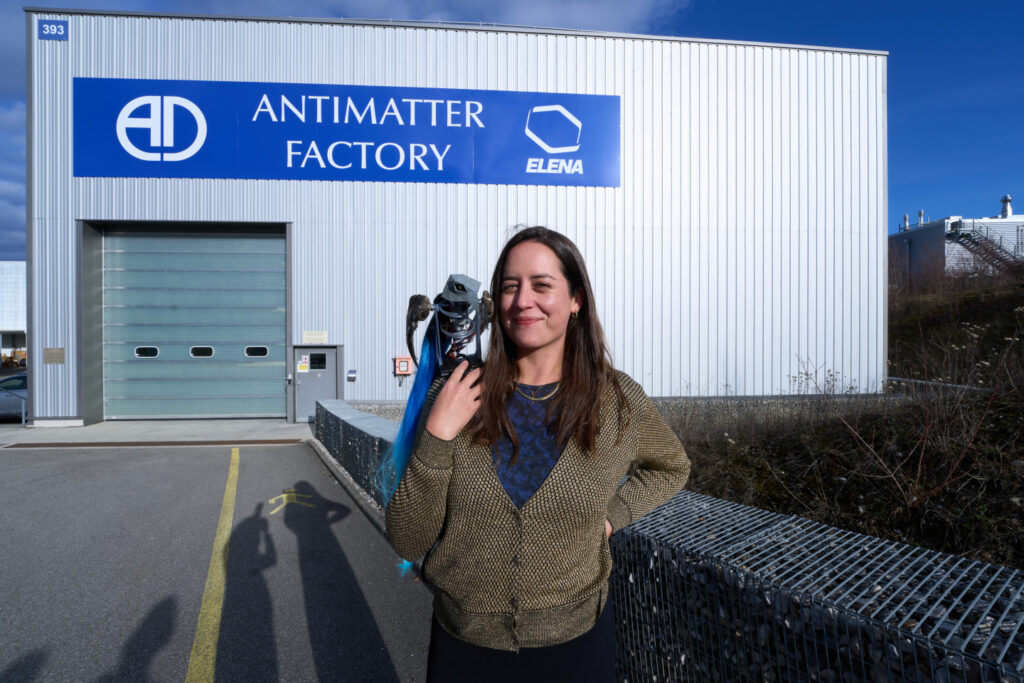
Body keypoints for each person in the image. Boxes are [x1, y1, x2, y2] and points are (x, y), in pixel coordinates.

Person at [385, 226, 691, 681]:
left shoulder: (617, 400)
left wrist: (613, 515)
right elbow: (408, 539)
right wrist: (437, 436)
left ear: (576, 300)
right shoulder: (455, 393)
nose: (523, 300)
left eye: (541, 285)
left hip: (575, 646)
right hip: (463, 646)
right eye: (510, 286)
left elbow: (672, 466)